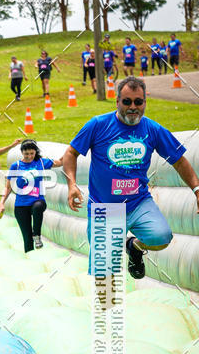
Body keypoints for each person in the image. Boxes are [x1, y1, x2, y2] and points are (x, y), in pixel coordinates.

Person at [62, 76, 199, 280]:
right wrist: (72, 184)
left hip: (138, 202)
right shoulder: (98, 125)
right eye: (127, 101)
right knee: (106, 280)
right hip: (105, 207)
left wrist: (196, 189)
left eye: (138, 101)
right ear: (117, 101)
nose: (133, 107)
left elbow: (179, 160)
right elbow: (70, 153)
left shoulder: (152, 129)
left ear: (144, 102)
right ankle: (107, 310)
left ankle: (133, 247)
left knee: (161, 237)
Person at [0, 140, 63, 252]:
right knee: (27, 239)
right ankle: (31, 260)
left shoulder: (41, 162)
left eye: (32, 154)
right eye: (26, 154)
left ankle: (37, 235)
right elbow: (8, 187)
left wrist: (74, 150)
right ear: (22, 152)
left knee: (38, 207)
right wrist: (1, 203)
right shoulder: (16, 166)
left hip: (37, 200)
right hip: (21, 205)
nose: (29, 156)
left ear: (35, 152)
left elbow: (60, 162)